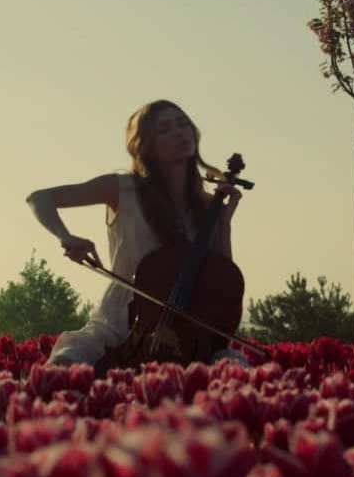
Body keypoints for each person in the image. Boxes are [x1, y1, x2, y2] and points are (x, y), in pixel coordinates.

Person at [25, 99, 248, 367]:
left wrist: (223, 224)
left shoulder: (205, 203)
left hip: (187, 330)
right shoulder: (122, 189)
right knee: (65, 367)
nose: (179, 132)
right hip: (119, 322)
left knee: (234, 373)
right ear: (146, 146)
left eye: (183, 124)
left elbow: (221, 277)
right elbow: (39, 198)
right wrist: (67, 236)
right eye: (164, 129)